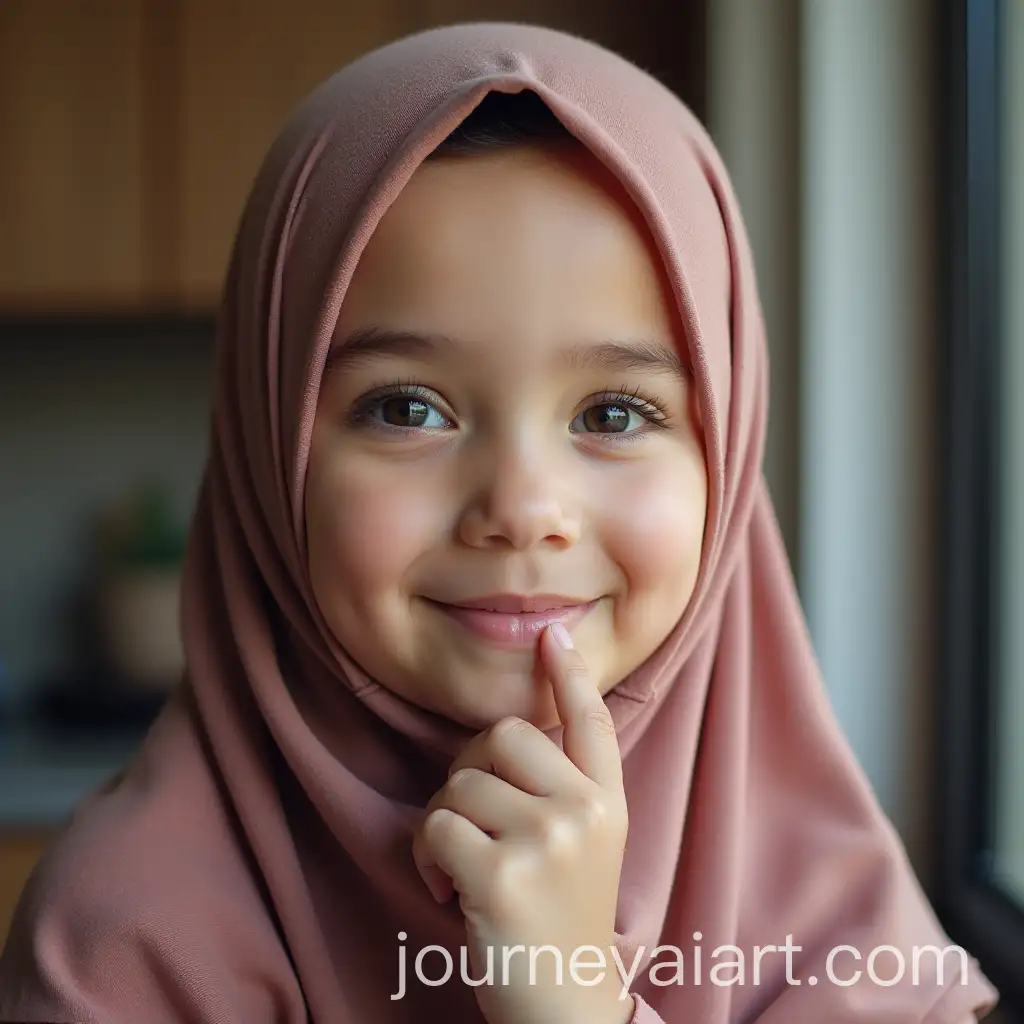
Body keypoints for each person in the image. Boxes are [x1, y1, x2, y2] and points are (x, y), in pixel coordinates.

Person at [0, 21, 999, 1024]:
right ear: (273, 446)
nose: (521, 510)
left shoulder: (842, 931)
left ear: (728, 459)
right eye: (406, 408)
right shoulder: (124, 946)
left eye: (613, 414)